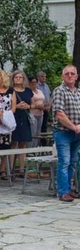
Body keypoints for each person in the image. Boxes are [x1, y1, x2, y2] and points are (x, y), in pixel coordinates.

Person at [51, 66, 80, 202]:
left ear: (76, 76)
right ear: (62, 77)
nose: (69, 76)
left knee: (73, 162)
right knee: (64, 162)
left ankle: (68, 189)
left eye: (72, 74)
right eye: (66, 74)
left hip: (77, 132)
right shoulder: (59, 91)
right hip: (63, 132)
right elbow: (59, 114)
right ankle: (63, 192)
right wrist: (74, 127)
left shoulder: (78, 92)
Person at [10, 70, 33, 176]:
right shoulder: (10, 90)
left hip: (24, 117)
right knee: (13, 142)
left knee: (23, 143)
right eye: (16, 77)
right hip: (14, 117)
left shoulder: (28, 91)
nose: (18, 79)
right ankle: (10, 168)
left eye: (20, 77)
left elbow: (32, 103)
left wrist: (28, 106)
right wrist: (16, 106)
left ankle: (21, 169)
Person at [0, 69, 13, 178]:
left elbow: (13, 107)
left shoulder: (10, 91)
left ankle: (3, 169)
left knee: (5, 146)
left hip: (6, 121)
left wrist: (6, 118)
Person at [28, 76, 46, 147]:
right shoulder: (29, 91)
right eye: (33, 82)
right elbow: (29, 102)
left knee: (38, 132)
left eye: (35, 82)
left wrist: (43, 105)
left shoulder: (40, 91)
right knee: (33, 132)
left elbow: (44, 100)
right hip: (33, 114)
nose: (34, 84)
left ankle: (36, 148)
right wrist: (38, 106)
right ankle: (30, 149)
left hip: (40, 114)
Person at [37, 71, 52, 136]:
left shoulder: (46, 86)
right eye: (42, 76)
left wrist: (49, 106)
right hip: (39, 109)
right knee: (39, 126)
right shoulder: (36, 86)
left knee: (45, 126)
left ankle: (44, 143)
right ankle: (38, 143)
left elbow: (50, 96)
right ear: (38, 77)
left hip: (47, 108)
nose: (44, 78)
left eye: (45, 76)